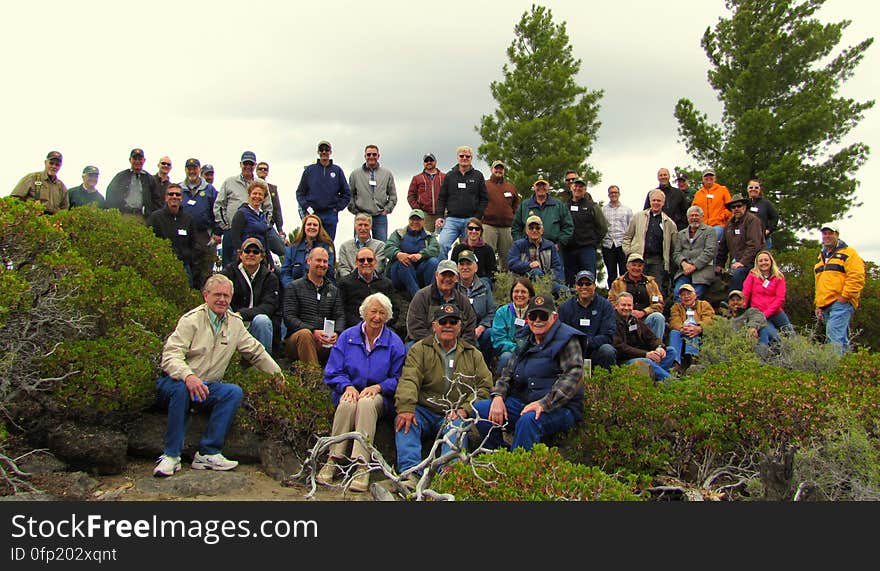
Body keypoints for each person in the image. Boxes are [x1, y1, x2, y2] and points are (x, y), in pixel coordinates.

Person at [154, 274, 283, 477]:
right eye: (217, 295)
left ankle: (208, 452)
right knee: (179, 389)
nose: (222, 300)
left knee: (232, 392)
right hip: (176, 383)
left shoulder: (235, 323)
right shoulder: (191, 320)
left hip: (207, 387)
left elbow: (256, 352)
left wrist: (278, 377)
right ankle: (171, 455)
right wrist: (188, 377)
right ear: (206, 295)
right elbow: (170, 357)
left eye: (226, 295)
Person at [473, 294, 585, 451]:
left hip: (559, 408)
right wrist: (498, 396)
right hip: (523, 402)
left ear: (554, 317)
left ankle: (516, 468)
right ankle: (496, 454)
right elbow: (508, 372)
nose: (537, 320)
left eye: (543, 315)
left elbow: (573, 375)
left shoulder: (567, 339)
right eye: (533, 315)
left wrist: (544, 403)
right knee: (482, 409)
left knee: (528, 420)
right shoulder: (525, 338)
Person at [318, 293, 406, 492]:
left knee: (366, 403)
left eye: (382, 313)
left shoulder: (394, 343)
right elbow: (333, 371)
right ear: (364, 313)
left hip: (379, 397)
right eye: (373, 311)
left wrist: (379, 387)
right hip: (349, 390)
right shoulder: (347, 337)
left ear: (388, 316)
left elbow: (399, 377)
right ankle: (333, 459)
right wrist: (347, 386)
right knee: (348, 403)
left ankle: (361, 465)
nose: (376, 317)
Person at [394, 304, 493, 476]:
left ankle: (449, 475)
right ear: (434, 325)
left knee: (457, 427)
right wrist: (406, 407)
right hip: (424, 410)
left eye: (453, 321)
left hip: (455, 412)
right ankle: (410, 473)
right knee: (404, 422)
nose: (448, 325)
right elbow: (409, 379)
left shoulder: (473, 354)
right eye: (443, 321)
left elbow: (484, 387)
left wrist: (465, 409)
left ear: (460, 326)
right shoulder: (419, 349)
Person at [282, 247, 345, 366]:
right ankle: (314, 379)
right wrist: (313, 331)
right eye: (318, 260)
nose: (322, 264)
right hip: (297, 341)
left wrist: (337, 332)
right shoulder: (294, 287)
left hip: (324, 341)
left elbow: (340, 316)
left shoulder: (334, 290)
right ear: (309, 261)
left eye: (325, 261)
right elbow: (289, 317)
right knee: (305, 334)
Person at [221, 237, 281, 354]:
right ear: (240, 255)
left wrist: (241, 314)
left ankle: (264, 367)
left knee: (263, 320)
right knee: (221, 307)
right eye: (247, 251)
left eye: (256, 252)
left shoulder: (270, 278)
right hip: (232, 321)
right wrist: (233, 315)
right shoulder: (229, 272)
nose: (251, 254)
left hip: (255, 323)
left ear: (262, 256)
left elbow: (268, 307)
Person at [814, 223, 865, 354]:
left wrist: (844, 297)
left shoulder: (849, 253)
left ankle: (834, 370)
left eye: (830, 233)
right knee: (840, 339)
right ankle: (847, 370)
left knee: (833, 336)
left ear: (837, 234)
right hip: (826, 304)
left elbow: (857, 277)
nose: (827, 236)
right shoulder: (821, 257)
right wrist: (818, 304)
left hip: (841, 303)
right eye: (824, 233)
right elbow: (819, 283)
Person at [215, 151, 272, 267]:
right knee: (230, 267)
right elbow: (219, 205)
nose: (248, 167)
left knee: (280, 249)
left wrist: (263, 224)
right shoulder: (229, 182)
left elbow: (268, 208)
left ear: (254, 166)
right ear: (240, 164)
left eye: (251, 164)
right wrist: (227, 226)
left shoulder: (261, 184)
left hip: (256, 232)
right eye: (245, 163)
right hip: (232, 231)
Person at [406, 259, 478, 347]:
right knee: (409, 347)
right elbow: (415, 329)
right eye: (443, 275)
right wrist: (439, 346)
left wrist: (456, 348)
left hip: (456, 346)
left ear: (456, 278)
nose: (447, 279)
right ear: (436, 275)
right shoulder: (421, 296)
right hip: (426, 345)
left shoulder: (463, 300)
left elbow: (470, 330)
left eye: (451, 275)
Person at [436, 145, 489, 260]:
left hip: (471, 220)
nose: (464, 158)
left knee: (471, 249)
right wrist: (440, 216)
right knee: (441, 245)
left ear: (471, 158)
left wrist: (477, 218)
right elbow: (442, 198)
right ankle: (444, 273)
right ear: (457, 157)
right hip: (452, 219)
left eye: (467, 156)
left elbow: (484, 199)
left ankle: (470, 275)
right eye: (462, 156)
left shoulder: (478, 176)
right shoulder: (450, 176)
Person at [557, 270, 617, 370]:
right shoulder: (565, 307)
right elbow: (560, 333)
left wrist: (587, 342)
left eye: (588, 283)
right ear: (576, 286)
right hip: (572, 350)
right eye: (580, 284)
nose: (584, 287)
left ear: (594, 286)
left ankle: (606, 383)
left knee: (608, 350)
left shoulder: (605, 306)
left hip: (597, 350)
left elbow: (608, 335)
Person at [612, 292, 679, 382]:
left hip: (642, 355)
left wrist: (659, 347)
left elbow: (651, 337)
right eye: (623, 305)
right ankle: (671, 382)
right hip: (624, 359)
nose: (626, 308)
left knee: (671, 352)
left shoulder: (634, 320)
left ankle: (655, 376)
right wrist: (646, 354)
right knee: (646, 362)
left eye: (629, 305)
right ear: (616, 306)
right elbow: (620, 347)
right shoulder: (611, 322)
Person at [295, 140, 351, 241]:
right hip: (313, 214)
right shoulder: (309, 170)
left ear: (330, 152)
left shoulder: (337, 170)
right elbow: (300, 193)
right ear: (318, 152)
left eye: (326, 150)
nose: (324, 152)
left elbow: (346, 193)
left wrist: (337, 208)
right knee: (311, 245)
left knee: (328, 245)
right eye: (321, 150)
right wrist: (307, 207)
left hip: (330, 215)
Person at [623, 189, 677, 293]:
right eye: (654, 200)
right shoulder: (638, 217)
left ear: (663, 203)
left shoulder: (669, 224)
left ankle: (655, 309)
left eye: (658, 201)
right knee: (633, 289)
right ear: (650, 201)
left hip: (657, 262)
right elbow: (627, 237)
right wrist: (629, 253)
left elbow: (674, 247)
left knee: (655, 291)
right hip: (638, 259)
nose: (656, 203)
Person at [180, 158, 221, 290]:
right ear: (186, 170)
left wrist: (217, 232)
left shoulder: (209, 190)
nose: (192, 171)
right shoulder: (178, 189)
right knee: (188, 273)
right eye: (189, 168)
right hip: (184, 236)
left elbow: (218, 211)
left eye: (194, 168)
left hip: (204, 235)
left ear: (199, 170)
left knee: (205, 275)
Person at [147, 183, 197, 287]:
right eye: (171, 194)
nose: (174, 196)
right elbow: (148, 242)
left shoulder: (188, 219)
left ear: (181, 198)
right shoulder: (155, 217)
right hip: (161, 265)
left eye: (177, 194)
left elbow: (193, 243)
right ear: (166, 197)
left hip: (183, 266)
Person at [337, 246, 398, 332]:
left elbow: (394, 310)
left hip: (382, 327)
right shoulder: (345, 283)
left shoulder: (386, 283)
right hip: (354, 328)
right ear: (356, 263)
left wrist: (379, 323)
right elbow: (341, 310)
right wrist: (363, 326)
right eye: (362, 260)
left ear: (375, 262)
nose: (366, 263)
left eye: (369, 260)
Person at [608, 253, 666, 341]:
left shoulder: (651, 283)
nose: (636, 268)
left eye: (639, 265)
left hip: (646, 318)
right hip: (625, 319)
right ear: (627, 266)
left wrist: (643, 312)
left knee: (658, 317)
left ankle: (657, 348)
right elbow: (611, 302)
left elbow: (659, 304)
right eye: (633, 265)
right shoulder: (618, 283)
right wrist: (627, 311)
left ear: (643, 267)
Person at [743, 250, 795, 347]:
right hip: (759, 314)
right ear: (757, 263)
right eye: (761, 261)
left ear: (771, 261)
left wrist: (766, 313)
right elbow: (746, 293)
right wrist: (742, 309)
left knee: (791, 336)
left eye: (766, 260)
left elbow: (780, 298)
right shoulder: (752, 275)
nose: (764, 263)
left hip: (776, 312)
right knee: (772, 336)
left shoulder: (779, 276)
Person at [384, 209, 440, 297]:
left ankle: (432, 294)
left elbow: (435, 249)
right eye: (412, 219)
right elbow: (388, 247)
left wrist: (421, 255)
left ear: (423, 221)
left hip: (419, 271)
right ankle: (418, 296)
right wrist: (398, 254)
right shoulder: (398, 233)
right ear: (408, 220)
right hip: (399, 273)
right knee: (403, 263)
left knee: (433, 262)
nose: (415, 222)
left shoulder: (429, 236)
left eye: (418, 220)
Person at [715, 193, 764, 293]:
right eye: (733, 207)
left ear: (745, 206)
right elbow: (723, 247)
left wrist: (742, 262)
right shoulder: (729, 224)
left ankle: (733, 302)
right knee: (715, 275)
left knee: (738, 273)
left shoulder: (752, 220)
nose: (736, 208)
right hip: (735, 262)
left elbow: (754, 245)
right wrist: (719, 264)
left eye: (739, 206)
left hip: (753, 261)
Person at [562, 178, 607, 286]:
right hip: (569, 250)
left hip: (586, 249)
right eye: (576, 186)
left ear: (585, 189)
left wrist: (592, 241)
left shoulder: (592, 207)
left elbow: (603, 228)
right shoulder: (564, 207)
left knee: (588, 279)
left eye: (581, 187)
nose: (578, 189)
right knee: (570, 281)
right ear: (572, 188)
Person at [454, 250, 496, 366]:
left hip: (479, 330)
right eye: (462, 264)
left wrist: (481, 328)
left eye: (469, 264)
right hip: (459, 331)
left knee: (490, 334)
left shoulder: (484, 286)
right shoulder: (453, 287)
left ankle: (485, 368)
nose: (465, 267)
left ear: (476, 267)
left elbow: (492, 312)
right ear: (457, 267)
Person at [347, 144, 397, 242]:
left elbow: (393, 195)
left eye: (374, 154)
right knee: (359, 245)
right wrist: (355, 211)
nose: (371, 157)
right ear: (365, 156)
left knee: (381, 247)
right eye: (369, 154)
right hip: (361, 216)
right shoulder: (355, 174)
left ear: (378, 156)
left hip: (380, 217)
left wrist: (386, 210)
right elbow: (350, 195)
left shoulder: (387, 174)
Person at [508, 215, 566, 296]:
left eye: (537, 228)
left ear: (542, 230)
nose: (534, 230)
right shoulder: (518, 245)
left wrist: (548, 279)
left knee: (565, 291)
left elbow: (557, 267)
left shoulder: (550, 245)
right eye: (531, 228)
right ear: (526, 231)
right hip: (523, 283)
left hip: (549, 282)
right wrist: (529, 265)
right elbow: (512, 264)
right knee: (536, 271)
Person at [511, 174, 573, 247]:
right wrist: (521, 244)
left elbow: (568, 227)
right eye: (538, 185)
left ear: (548, 186)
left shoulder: (558, 205)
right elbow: (515, 228)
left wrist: (559, 244)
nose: (541, 187)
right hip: (528, 248)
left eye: (543, 185)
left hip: (553, 248)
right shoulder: (524, 206)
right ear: (534, 187)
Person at [671, 205, 717, 301]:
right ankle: (680, 316)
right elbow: (676, 253)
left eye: (697, 215)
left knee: (693, 296)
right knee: (677, 294)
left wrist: (694, 266)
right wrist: (683, 264)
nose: (694, 218)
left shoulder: (710, 231)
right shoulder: (681, 234)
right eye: (691, 216)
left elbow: (709, 251)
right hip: (684, 272)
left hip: (702, 272)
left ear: (702, 217)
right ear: (688, 218)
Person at [228, 180, 275, 271]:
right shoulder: (241, 213)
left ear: (264, 198)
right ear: (249, 195)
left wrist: (270, 260)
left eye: (260, 194)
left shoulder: (262, 216)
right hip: (246, 258)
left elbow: (265, 240)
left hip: (260, 257)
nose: (257, 196)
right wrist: (243, 257)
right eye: (254, 193)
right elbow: (235, 238)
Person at [482, 159, 520, 271]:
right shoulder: (484, 185)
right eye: (496, 168)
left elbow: (516, 206)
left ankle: (506, 284)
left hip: (507, 228)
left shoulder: (511, 187)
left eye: (501, 168)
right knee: (488, 256)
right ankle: (488, 281)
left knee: (508, 258)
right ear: (491, 169)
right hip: (488, 226)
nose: (498, 170)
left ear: (504, 171)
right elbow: (478, 203)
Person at [491, 277, 534, 375]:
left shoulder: (535, 313)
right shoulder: (502, 312)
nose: (519, 295)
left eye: (523, 292)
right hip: (509, 352)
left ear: (530, 295)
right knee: (507, 357)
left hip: (531, 351)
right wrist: (517, 349)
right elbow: (498, 340)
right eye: (516, 291)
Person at [667, 283, 714, 372]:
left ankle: (692, 359)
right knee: (674, 332)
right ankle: (675, 362)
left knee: (692, 328)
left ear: (695, 295)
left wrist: (699, 328)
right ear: (680, 297)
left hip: (700, 333)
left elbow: (709, 318)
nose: (686, 297)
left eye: (689, 294)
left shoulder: (704, 304)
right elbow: (674, 320)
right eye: (683, 295)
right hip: (682, 332)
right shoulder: (676, 307)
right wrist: (682, 328)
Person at [280, 213, 335, 288]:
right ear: (304, 227)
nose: (312, 227)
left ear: (319, 228)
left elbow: (329, 272)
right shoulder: (291, 249)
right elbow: (285, 273)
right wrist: (293, 288)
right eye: (309, 224)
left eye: (315, 225)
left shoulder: (327, 248)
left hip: (320, 290)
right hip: (296, 291)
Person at [105, 148, 161, 221]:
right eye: (135, 159)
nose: (137, 161)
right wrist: (114, 212)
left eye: (140, 159)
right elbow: (110, 193)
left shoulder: (149, 179)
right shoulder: (121, 176)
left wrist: (151, 214)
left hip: (142, 217)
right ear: (130, 160)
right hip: (123, 215)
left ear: (144, 160)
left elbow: (156, 200)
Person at [723, 289, 773, 358]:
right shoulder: (725, 319)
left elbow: (759, 317)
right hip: (734, 350)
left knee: (763, 329)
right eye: (732, 300)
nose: (735, 302)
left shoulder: (750, 311)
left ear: (743, 302)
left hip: (751, 345)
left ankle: (761, 359)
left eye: (738, 300)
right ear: (729, 303)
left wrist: (752, 327)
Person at [336, 213, 386, 279]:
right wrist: (353, 281)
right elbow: (343, 269)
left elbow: (378, 268)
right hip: (349, 284)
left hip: (372, 283)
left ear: (371, 227)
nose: (363, 228)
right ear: (355, 226)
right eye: (360, 225)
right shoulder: (344, 247)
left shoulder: (380, 246)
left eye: (366, 225)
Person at [601, 185, 633, 285]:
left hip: (622, 245)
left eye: (615, 192)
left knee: (625, 272)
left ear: (619, 194)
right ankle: (612, 297)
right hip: (608, 244)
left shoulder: (627, 210)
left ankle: (626, 295)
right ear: (608, 195)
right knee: (611, 273)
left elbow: (631, 228)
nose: (613, 194)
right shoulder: (603, 210)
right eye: (611, 193)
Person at [256, 161, 289, 258]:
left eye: (265, 169)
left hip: (268, 225)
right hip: (253, 223)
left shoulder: (272, 189)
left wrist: (280, 229)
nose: (262, 170)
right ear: (256, 171)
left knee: (282, 249)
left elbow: (277, 209)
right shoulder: (250, 184)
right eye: (260, 169)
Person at [450, 217, 497, 284]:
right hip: (461, 281)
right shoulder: (458, 249)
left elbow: (492, 272)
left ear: (481, 231)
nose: (474, 231)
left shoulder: (488, 249)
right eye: (471, 228)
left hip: (481, 282)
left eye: (477, 229)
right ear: (466, 231)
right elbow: (453, 269)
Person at [406, 153, 445, 232]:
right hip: (426, 215)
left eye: (431, 160)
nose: (429, 162)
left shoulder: (444, 177)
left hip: (443, 214)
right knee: (425, 240)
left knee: (444, 241)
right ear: (423, 163)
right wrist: (418, 210)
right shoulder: (417, 178)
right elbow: (410, 196)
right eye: (426, 160)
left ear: (435, 162)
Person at [691, 168, 732, 240]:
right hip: (701, 226)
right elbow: (694, 209)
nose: (709, 178)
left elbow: (730, 207)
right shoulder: (698, 193)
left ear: (715, 178)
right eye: (706, 177)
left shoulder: (723, 190)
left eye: (711, 176)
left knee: (710, 238)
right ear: (703, 179)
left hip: (718, 225)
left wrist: (721, 217)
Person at [746, 179, 779, 250]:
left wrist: (769, 230)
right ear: (747, 189)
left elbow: (775, 217)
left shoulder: (766, 203)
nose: (753, 189)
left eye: (756, 188)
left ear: (760, 190)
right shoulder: (744, 204)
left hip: (763, 240)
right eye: (751, 187)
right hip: (747, 240)